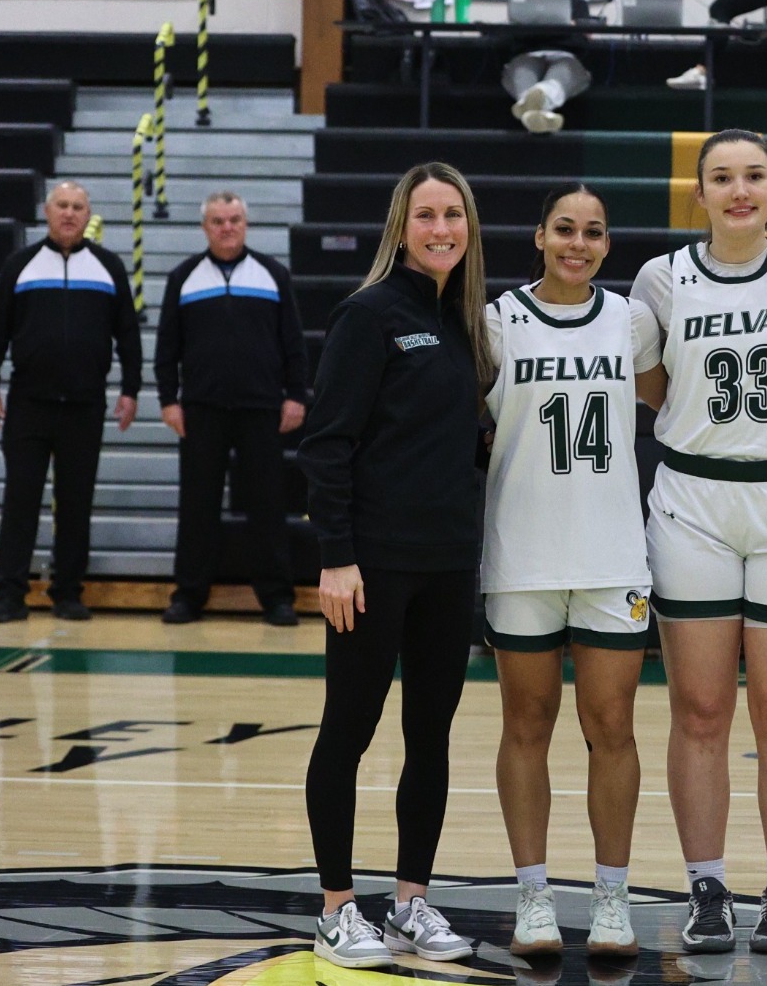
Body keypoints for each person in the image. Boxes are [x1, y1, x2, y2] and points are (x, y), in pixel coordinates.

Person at [628, 128, 767, 954]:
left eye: (754, 175)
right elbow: (654, 387)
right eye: (722, 177)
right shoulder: (662, 277)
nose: (739, 190)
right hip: (693, 500)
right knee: (699, 708)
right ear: (701, 191)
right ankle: (707, 886)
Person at [295, 163, 493, 970]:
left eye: (454, 214)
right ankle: (338, 907)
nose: (441, 227)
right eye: (426, 215)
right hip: (373, 566)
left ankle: (411, 900)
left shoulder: (464, 323)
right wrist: (336, 556)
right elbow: (326, 442)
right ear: (400, 226)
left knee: (431, 735)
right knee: (348, 727)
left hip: (449, 566)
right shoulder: (367, 314)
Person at [482, 182, 663, 957]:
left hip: (611, 550)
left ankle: (612, 898)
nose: (577, 243)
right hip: (521, 551)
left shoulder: (630, 320)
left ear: (607, 244)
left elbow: (664, 402)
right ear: (539, 235)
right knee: (526, 723)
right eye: (564, 229)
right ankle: (533, 896)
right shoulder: (496, 320)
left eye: (592, 232)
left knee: (612, 726)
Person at [0, 181, 141, 624]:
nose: (69, 213)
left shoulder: (108, 267)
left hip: (85, 406)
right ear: (47, 213)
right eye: (62, 206)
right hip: (29, 404)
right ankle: (9, 594)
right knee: (21, 501)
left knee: (76, 503)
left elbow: (127, 334)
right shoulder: (20, 265)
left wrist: (131, 388)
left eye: (77, 207)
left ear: (89, 216)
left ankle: (67, 592)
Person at [156, 191, 309, 627]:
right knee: (197, 505)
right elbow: (168, 346)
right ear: (205, 227)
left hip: (261, 409)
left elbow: (293, 343)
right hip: (201, 411)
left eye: (235, 220)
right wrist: (169, 399)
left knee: (266, 504)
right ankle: (188, 595)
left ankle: (277, 598)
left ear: (246, 224)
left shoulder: (272, 275)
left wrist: (295, 394)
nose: (227, 227)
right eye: (219, 221)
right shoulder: (184, 277)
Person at [502, 0, 594, 134]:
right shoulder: (522, 3)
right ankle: (541, 110)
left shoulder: (579, 5)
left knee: (564, 68)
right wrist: (567, 29)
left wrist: (535, 31)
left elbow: (582, 42)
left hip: (564, 58)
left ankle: (534, 102)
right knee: (521, 68)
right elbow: (512, 38)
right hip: (528, 56)